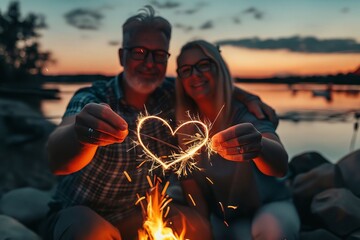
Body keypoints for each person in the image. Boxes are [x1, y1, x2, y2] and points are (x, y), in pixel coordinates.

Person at [42, 6, 277, 240]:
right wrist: (81, 135)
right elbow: (57, 160)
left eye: (159, 55)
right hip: (81, 213)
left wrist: (246, 97)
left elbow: (207, 82)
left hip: (140, 213)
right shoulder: (92, 98)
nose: (149, 62)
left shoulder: (169, 95)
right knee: (86, 231)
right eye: (139, 52)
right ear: (121, 56)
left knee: (197, 229)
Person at [175, 40, 300, 240]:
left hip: (269, 206)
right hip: (225, 216)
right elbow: (192, 188)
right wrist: (202, 227)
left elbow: (280, 165)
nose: (195, 74)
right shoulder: (184, 125)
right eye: (186, 69)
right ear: (180, 78)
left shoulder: (245, 113)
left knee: (274, 231)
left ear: (219, 67)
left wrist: (258, 145)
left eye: (204, 65)